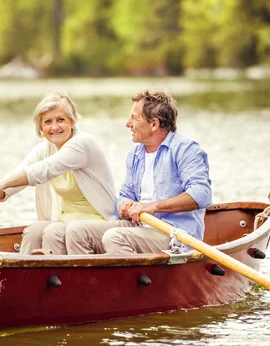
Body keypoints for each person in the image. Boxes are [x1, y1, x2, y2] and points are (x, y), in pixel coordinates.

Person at [65, 90, 212, 254]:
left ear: (154, 124)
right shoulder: (136, 153)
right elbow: (125, 195)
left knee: (114, 237)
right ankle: (89, 280)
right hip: (138, 227)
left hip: (174, 234)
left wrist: (154, 207)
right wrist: (124, 205)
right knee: (76, 231)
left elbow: (202, 194)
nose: (128, 123)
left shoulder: (186, 149)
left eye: (134, 118)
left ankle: (127, 279)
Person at [0, 91, 117, 255]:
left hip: (100, 223)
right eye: (48, 122)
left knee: (52, 232)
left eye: (60, 120)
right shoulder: (46, 148)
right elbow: (23, 171)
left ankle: (57, 278)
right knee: (33, 230)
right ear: (41, 127)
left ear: (72, 121)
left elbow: (41, 171)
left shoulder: (82, 144)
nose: (54, 127)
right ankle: (22, 274)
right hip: (66, 221)